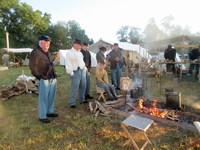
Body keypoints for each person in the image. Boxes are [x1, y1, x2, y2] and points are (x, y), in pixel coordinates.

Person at [29, 35, 58, 124]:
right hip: (44, 78)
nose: (48, 45)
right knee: (43, 98)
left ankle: (49, 112)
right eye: (46, 43)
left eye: (49, 43)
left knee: (51, 96)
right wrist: (40, 77)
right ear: (41, 42)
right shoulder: (35, 52)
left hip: (52, 78)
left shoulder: (47, 52)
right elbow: (33, 67)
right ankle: (42, 116)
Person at [65, 38, 89, 109]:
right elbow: (68, 64)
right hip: (75, 72)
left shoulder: (80, 53)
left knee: (83, 86)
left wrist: (85, 69)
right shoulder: (69, 53)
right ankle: (72, 102)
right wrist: (71, 72)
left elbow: (82, 62)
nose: (80, 47)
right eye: (79, 45)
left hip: (82, 71)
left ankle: (82, 99)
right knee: (74, 88)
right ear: (75, 44)